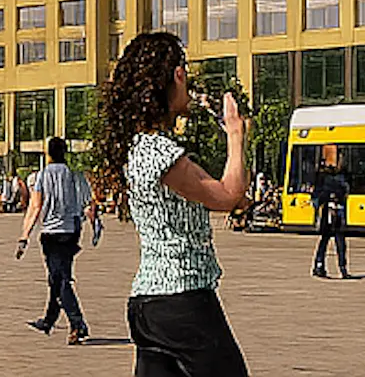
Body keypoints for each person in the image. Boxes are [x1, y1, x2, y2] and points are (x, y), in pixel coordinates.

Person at [95, 31, 250, 377]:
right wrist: (236, 135)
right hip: (182, 300)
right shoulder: (160, 152)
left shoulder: (139, 147)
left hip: (148, 305)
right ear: (177, 75)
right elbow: (229, 195)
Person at [16, 135, 99, 345]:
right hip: (71, 231)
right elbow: (88, 204)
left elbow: (35, 207)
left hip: (51, 234)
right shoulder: (74, 175)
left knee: (60, 280)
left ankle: (77, 323)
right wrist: (95, 226)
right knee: (59, 277)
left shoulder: (43, 175)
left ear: (48, 153)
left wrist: (24, 236)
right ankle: (48, 320)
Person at [310, 149, 350, 278]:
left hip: (337, 212)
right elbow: (318, 196)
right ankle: (320, 265)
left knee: (339, 242)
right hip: (328, 212)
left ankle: (341, 267)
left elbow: (345, 193)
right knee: (326, 240)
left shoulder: (341, 176)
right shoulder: (324, 177)